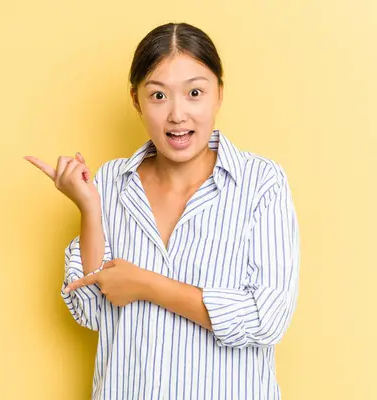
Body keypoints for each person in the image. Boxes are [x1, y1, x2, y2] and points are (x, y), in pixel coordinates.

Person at [25, 22, 299, 400]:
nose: (177, 114)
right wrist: (89, 207)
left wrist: (148, 285)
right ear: (136, 100)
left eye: (195, 93)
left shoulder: (260, 183)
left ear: (219, 94)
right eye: (158, 96)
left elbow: (266, 318)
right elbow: (91, 311)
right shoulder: (111, 184)